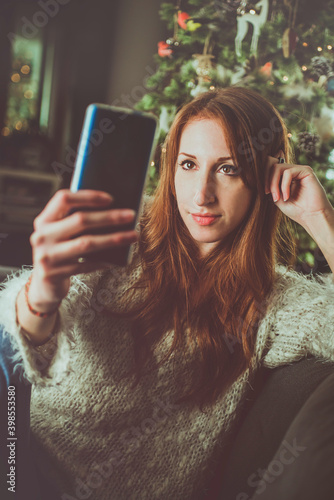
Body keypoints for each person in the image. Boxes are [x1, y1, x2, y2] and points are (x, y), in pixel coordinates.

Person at [0, 86, 334, 500]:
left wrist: (321, 219)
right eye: (189, 164)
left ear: (265, 177)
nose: (201, 194)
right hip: (21, 459)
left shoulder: (272, 302)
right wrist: (42, 293)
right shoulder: (123, 228)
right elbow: (24, 346)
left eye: (228, 169)